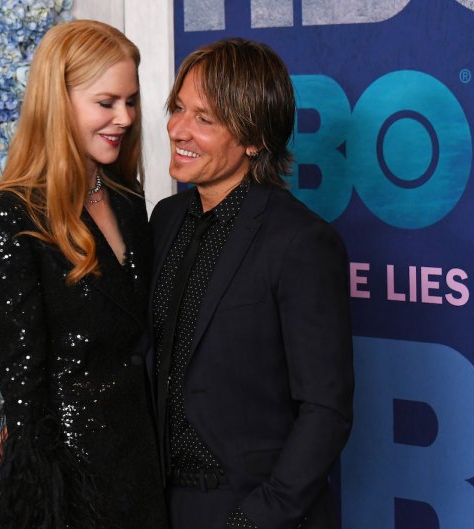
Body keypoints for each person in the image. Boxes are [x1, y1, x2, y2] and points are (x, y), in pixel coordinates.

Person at [0, 20, 167, 529]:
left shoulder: (127, 198)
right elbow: (23, 387)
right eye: (106, 103)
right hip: (74, 483)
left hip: (147, 464)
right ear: (59, 103)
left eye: (131, 100)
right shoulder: (8, 216)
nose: (124, 117)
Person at [149, 38, 355, 529]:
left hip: (256, 510)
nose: (177, 129)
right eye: (178, 108)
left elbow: (326, 410)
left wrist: (253, 520)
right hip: (164, 505)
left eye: (205, 118)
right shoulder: (165, 218)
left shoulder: (301, 242)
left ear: (254, 139)